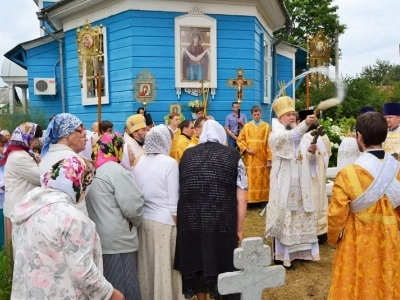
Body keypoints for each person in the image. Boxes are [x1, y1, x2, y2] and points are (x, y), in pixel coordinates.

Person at [10, 156, 124, 300]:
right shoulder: (73, 219)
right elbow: (83, 272)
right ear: (80, 184)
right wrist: (111, 294)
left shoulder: (26, 210)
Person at [327, 112, 400, 300]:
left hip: (356, 241)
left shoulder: (348, 174)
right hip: (389, 239)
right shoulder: (397, 169)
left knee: (356, 284)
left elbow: (336, 216)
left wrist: (334, 238)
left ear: (359, 136)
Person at [174, 120, 248, 300]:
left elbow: (180, 188)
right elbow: (242, 196)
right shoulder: (233, 155)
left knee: (197, 261)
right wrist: (238, 229)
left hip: (192, 221)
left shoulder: (187, 155)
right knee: (223, 263)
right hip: (222, 221)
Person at [87, 132, 144, 300]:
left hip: (101, 237)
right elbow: (132, 207)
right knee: (125, 286)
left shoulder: (95, 169)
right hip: (119, 240)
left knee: (110, 286)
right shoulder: (117, 171)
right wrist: (136, 223)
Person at [265, 96, 319, 267]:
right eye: (288, 115)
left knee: (302, 215)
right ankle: (283, 254)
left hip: (302, 184)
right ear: (280, 118)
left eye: (293, 114)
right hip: (285, 184)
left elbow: (308, 159)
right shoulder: (276, 135)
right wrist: (305, 124)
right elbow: (289, 139)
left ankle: (302, 252)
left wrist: (311, 152)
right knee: (286, 216)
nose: (292, 117)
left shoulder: (302, 135)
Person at [134, 125, 184, 300]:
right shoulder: (169, 163)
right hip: (165, 222)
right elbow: (173, 202)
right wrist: (180, 228)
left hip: (144, 221)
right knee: (164, 267)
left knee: (149, 267)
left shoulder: (139, 162)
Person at [0, 122, 43, 245]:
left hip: (19, 208)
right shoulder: (19, 157)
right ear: (26, 137)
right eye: (34, 138)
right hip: (18, 210)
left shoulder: (21, 154)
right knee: (19, 250)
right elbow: (39, 177)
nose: (36, 142)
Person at [40, 113, 88, 215]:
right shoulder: (73, 160)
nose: (81, 135)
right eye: (79, 131)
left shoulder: (46, 156)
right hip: (73, 217)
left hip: (51, 215)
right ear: (67, 133)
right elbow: (79, 199)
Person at [298, 109, 331, 244]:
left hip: (309, 175)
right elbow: (328, 154)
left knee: (311, 200)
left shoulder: (305, 138)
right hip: (321, 174)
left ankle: (312, 231)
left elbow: (300, 157)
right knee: (321, 200)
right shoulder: (324, 136)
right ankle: (322, 231)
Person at [237, 105, 272, 204]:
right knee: (250, 179)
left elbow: (270, 143)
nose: (257, 116)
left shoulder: (266, 126)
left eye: (258, 114)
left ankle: (262, 200)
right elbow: (240, 140)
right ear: (251, 115)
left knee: (262, 179)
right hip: (250, 158)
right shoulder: (247, 126)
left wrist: (269, 159)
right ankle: (250, 200)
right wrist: (246, 150)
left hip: (262, 157)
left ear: (261, 114)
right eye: (255, 114)